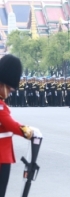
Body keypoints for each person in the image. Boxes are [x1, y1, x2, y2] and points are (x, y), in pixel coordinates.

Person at [0, 55, 40, 197]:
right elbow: (10, 124)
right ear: (3, 84)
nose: (10, 93)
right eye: (9, 90)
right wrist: (29, 132)